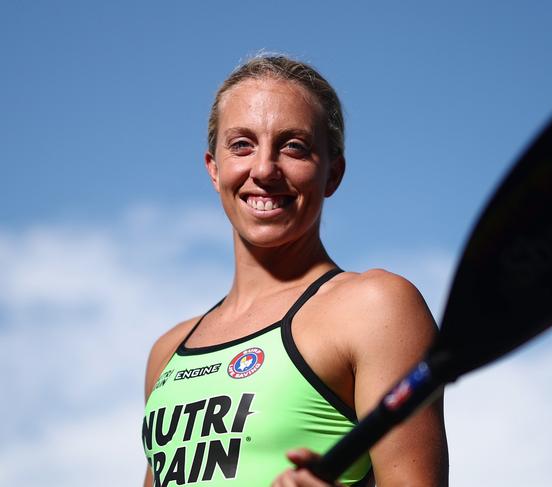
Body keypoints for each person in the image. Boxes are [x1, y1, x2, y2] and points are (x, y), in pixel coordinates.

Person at [142, 55, 449, 487]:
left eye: (293, 147)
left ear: (332, 174)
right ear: (214, 169)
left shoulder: (375, 306)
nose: (264, 169)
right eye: (242, 145)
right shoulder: (167, 352)